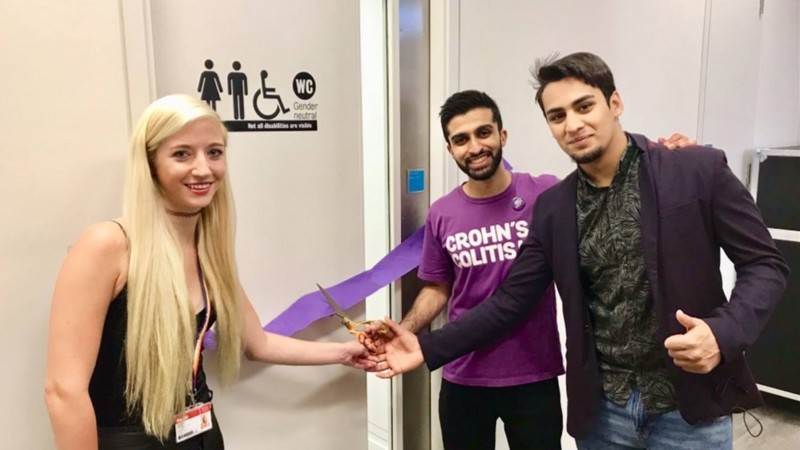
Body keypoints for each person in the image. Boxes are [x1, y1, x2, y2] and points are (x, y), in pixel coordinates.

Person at [369, 53, 788, 449]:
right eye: (557, 116)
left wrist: (722, 333)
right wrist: (426, 346)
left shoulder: (694, 169)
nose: (573, 124)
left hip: (689, 408)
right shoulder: (554, 207)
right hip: (605, 414)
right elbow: (511, 300)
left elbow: (765, 265)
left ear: (614, 103)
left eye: (584, 106)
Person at [365, 90, 695, 450]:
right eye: (461, 140)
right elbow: (438, 286)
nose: (475, 147)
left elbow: (605, 184)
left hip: (533, 372)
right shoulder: (442, 213)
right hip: (463, 372)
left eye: (483, 133)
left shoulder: (546, 194)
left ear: (502, 135)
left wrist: (661, 158)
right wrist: (406, 330)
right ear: (450, 149)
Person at [44, 94, 374, 449]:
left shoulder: (209, 249)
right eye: (182, 154)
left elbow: (258, 343)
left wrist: (345, 352)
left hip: (201, 433)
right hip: (130, 440)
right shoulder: (107, 245)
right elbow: (63, 391)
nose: (203, 169)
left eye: (214, 152)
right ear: (151, 164)